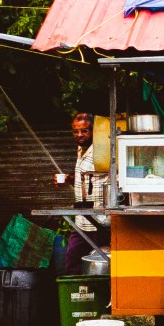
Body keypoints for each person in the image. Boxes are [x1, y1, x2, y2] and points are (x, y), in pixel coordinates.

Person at [66, 113, 110, 274]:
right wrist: (70, 179)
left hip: (100, 220)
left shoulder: (102, 151)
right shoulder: (80, 149)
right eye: (75, 131)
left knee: (100, 263)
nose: (79, 135)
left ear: (93, 131)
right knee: (72, 260)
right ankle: (75, 289)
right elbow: (89, 177)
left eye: (84, 131)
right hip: (81, 221)